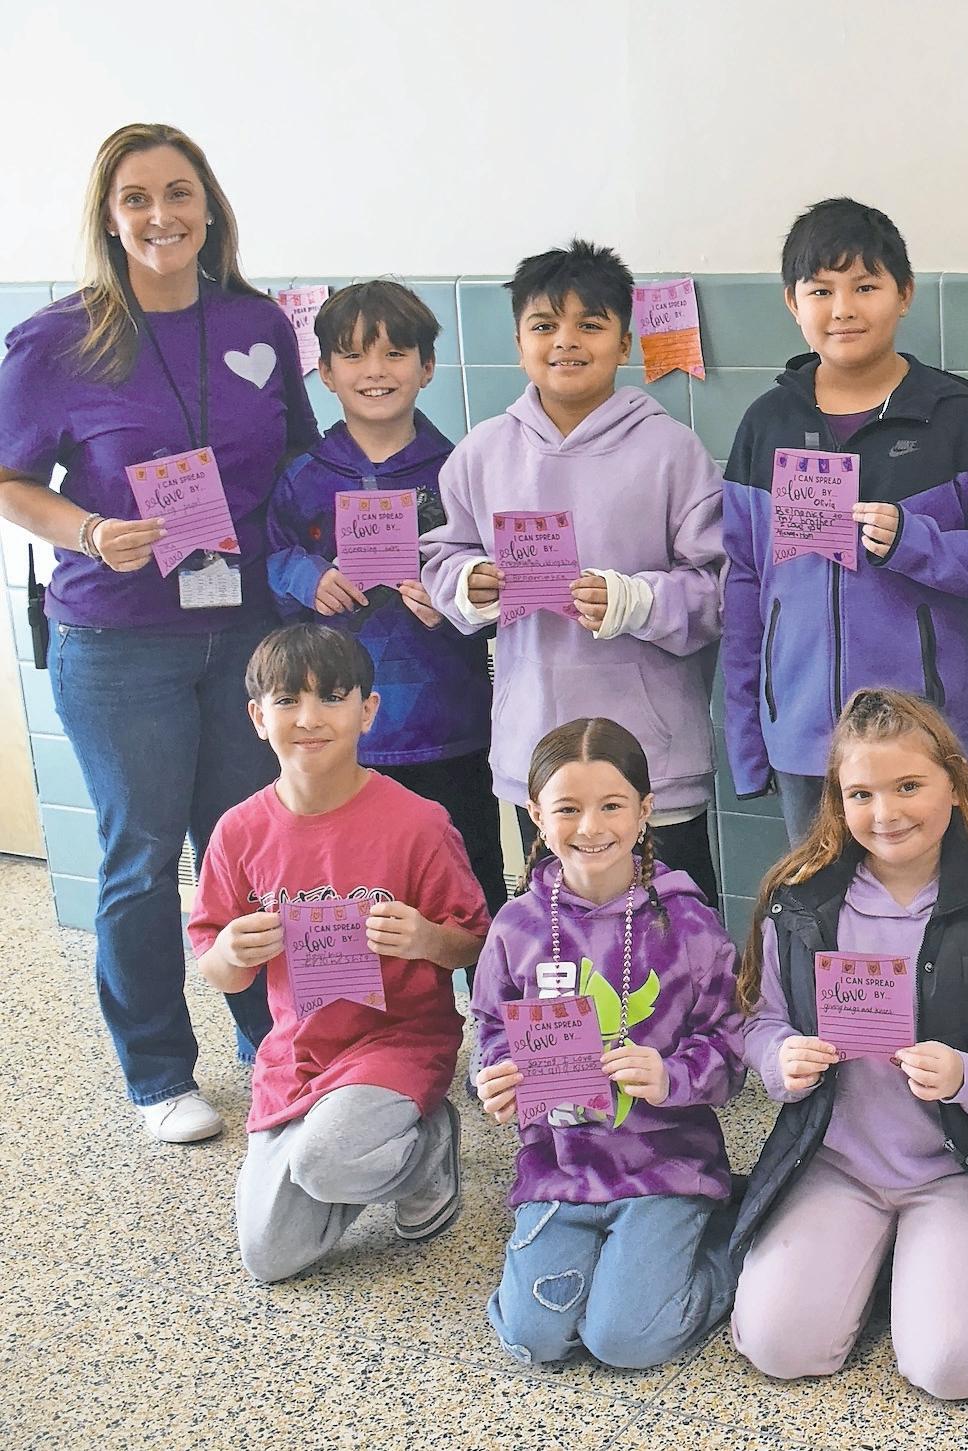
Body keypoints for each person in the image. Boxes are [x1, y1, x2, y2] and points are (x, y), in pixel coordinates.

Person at [0, 122, 318, 1142]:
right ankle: (157, 1071)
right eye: (136, 198)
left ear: (210, 208)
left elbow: (299, 458)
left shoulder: (258, 322)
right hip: (119, 637)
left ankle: (268, 1036)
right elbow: (9, 478)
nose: (161, 215)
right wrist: (90, 531)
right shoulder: (57, 340)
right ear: (108, 217)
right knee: (140, 857)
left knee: (249, 845)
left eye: (180, 193)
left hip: (250, 632)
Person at [730, 688, 968, 1399]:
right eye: (862, 793)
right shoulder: (801, 904)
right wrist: (781, 1056)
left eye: (909, 785)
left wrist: (967, 1076)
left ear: (954, 784)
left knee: (953, 1368)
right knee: (779, 1345)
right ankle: (871, 1259)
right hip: (836, 1162)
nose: (886, 813)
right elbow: (759, 1021)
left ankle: (930, 1266)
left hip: (958, 1169)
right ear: (837, 801)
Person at [720, 198, 968, 843]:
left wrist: (914, 543)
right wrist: (750, 741)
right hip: (805, 742)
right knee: (821, 900)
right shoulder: (766, 424)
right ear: (792, 303)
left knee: (934, 898)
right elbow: (745, 586)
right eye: (821, 291)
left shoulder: (961, 422)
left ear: (904, 294)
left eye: (865, 287)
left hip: (926, 741)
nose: (843, 309)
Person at [421, 241, 725, 902]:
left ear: (624, 343)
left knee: (674, 933)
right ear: (518, 342)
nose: (566, 341)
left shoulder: (673, 451)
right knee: (554, 938)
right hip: (538, 752)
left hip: (652, 759)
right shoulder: (481, 453)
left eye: (590, 324)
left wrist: (635, 601)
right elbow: (442, 559)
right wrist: (469, 584)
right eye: (544, 325)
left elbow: (718, 591)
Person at [188, 624, 487, 1281]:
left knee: (326, 1161)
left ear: (367, 711)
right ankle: (345, 1137)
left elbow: (475, 940)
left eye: (331, 697)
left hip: (397, 1042)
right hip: (296, 1051)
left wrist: (425, 938)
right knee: (269, 1256)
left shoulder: (418, 822)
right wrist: (232, 952)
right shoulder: (238, 832)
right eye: (287, 700)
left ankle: (427, 1144)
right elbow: (214, 962)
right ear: (257, 717)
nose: (310, 717)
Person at [470, 717, 747, 1369]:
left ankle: (735, 1244)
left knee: (625, 1340)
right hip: (560, 1164)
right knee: (531, 1339)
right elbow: (490, 1027)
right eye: (568, 808)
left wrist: (671, 1074)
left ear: (645, 810)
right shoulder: (515, 928)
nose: (590, 826)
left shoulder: (688, 926)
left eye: (612, 805)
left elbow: (731, 1049)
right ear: (536, 815)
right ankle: (609, 1256)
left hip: (664, 1163)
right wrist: (497, 1076)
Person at [266, 280, 504, 909]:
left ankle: (483, 979)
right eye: (353, 355)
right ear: (324, 372)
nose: (375, 371)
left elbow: (503, 588)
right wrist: (307, 579)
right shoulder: (304, 477)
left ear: (427, 367)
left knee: (467, 887)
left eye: (396, 353)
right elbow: (270, 568)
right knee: (354, 893)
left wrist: (460, 601)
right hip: (341, 735)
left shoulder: (461, 470)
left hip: (450, 727)